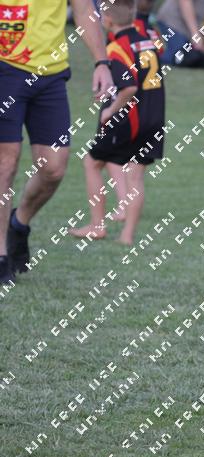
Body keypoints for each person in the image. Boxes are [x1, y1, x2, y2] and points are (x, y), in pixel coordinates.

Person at [0, 0, 114, 284]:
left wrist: (101, 63)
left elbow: (84, 10)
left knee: (53, 169)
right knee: (6, 162)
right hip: (5, 68)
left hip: (50, 74)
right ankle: (1, 256)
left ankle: (18, 223)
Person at [69, 0, 166, 246]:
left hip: (127, 118)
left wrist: (110, 111)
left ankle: (97, 226)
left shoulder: (115, 48)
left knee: (92, 163)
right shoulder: (148, 40)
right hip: (154, 117)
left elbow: (129, 88)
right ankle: (127, 236)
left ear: (108, 21)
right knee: (135, 176)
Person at [156, 0, 204, 68]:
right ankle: (152, 55)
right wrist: (195, 34)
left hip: (188, 29)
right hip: (172, 23)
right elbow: (185, 2)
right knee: (179, 58)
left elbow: (200, 22)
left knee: (194, 56)